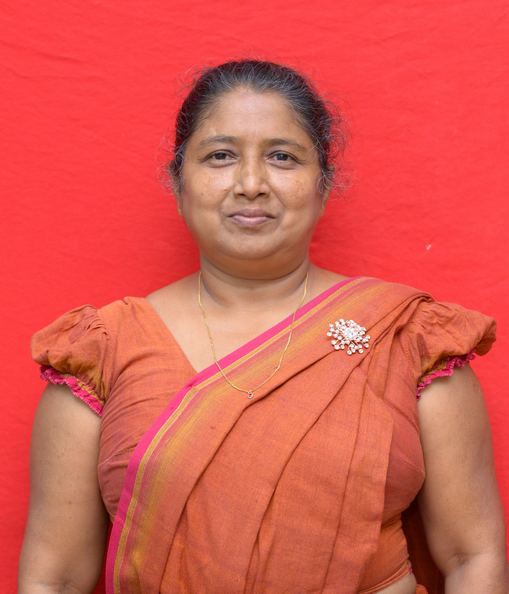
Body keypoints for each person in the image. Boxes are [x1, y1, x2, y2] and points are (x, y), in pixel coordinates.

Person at [19, 59, 507, 594]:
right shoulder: (102, 353)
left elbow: (473, 556)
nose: (251, 184)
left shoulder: (409, 337)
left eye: (282, 157)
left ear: (323, 185)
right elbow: (55, 580)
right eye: (220, 156)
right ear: (179, 183)